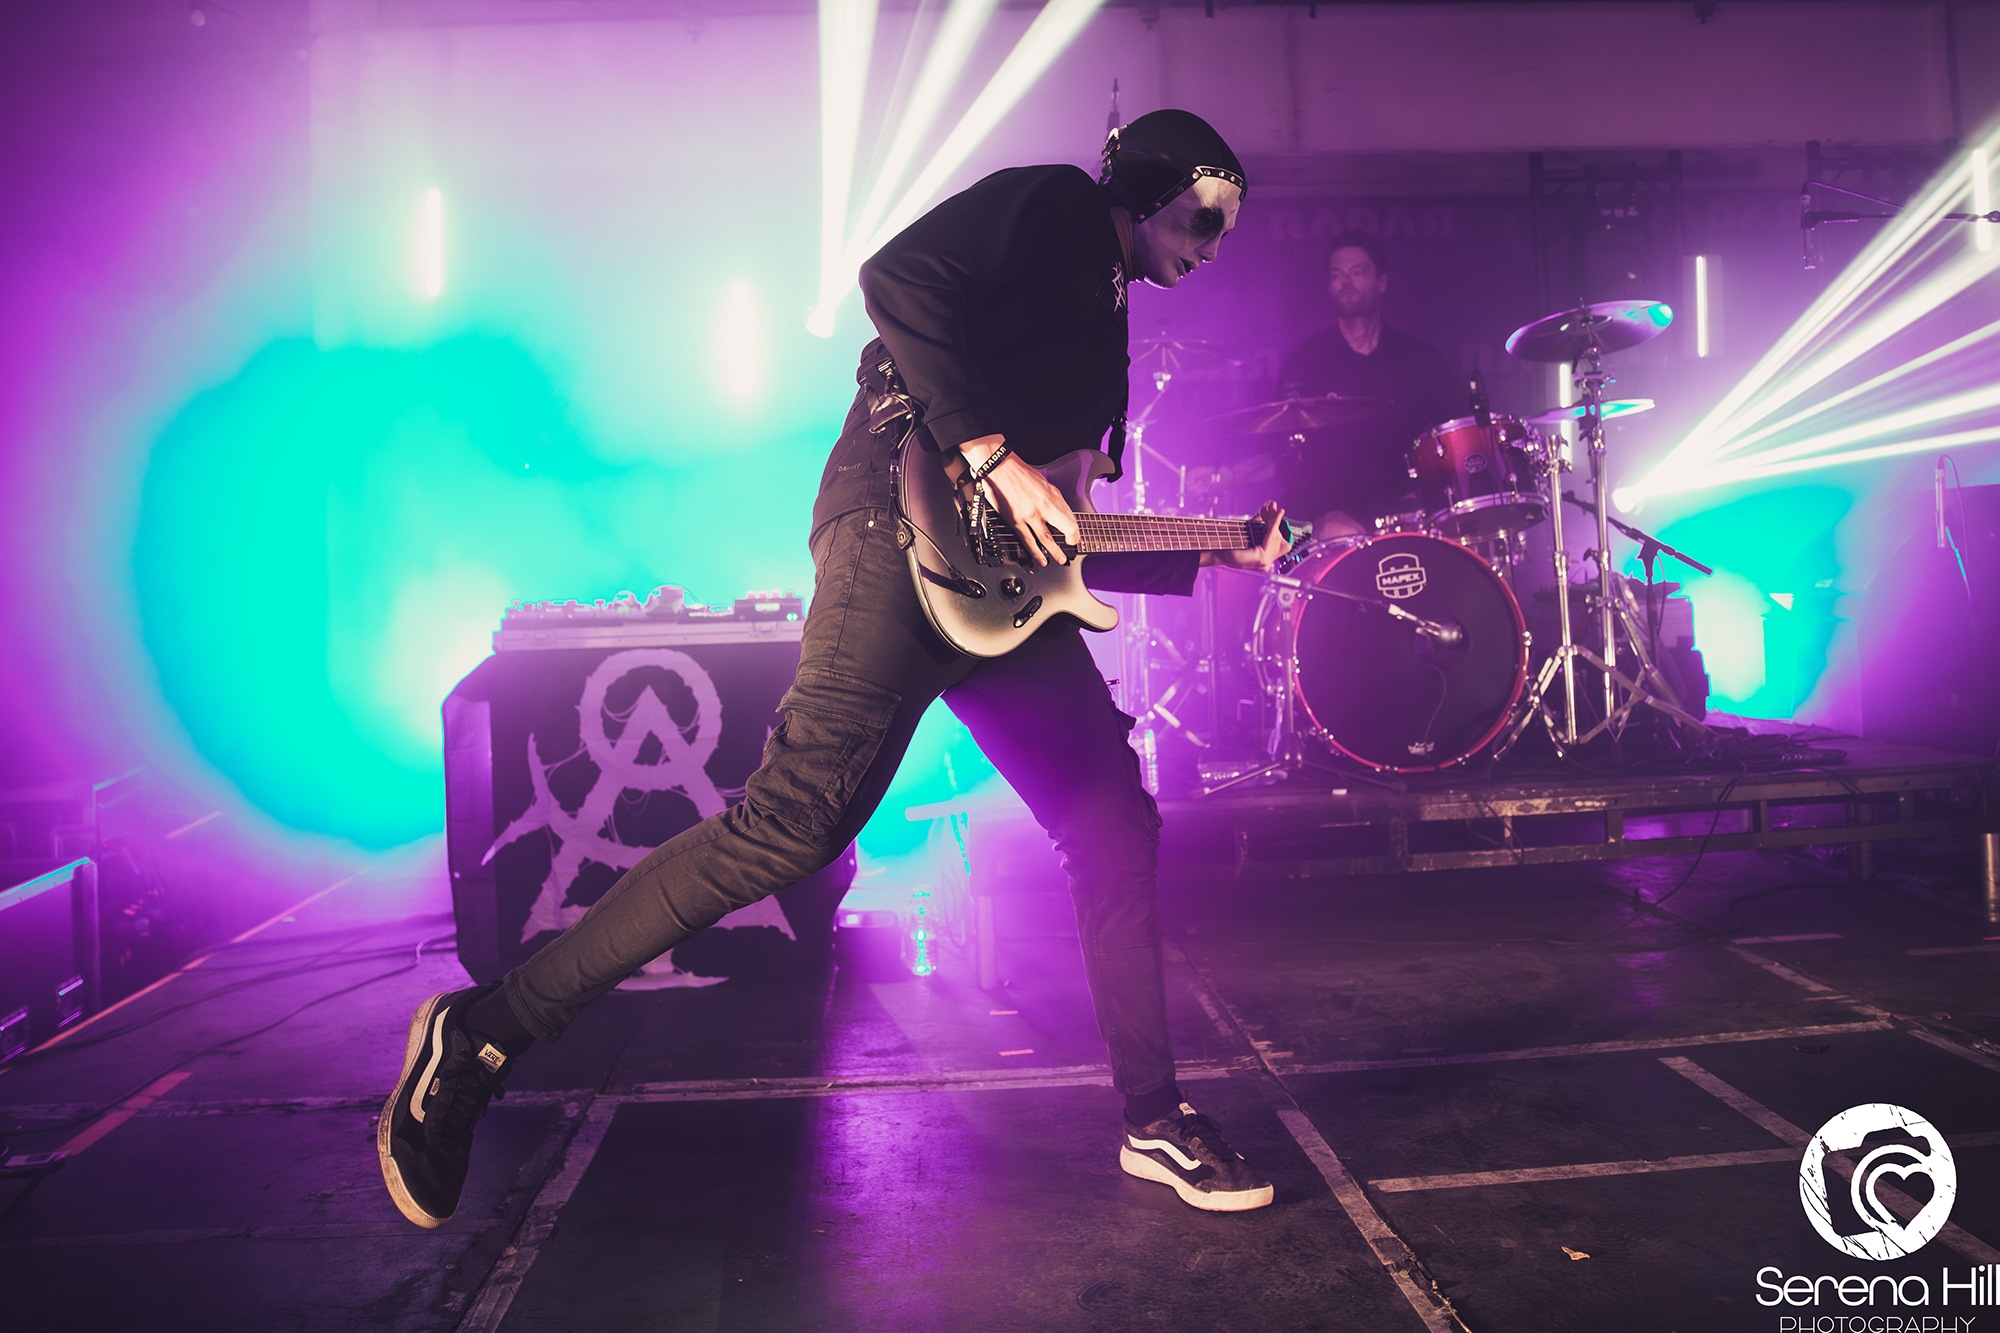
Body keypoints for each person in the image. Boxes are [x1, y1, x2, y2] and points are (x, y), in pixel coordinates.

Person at [379, 110, 1291, 1228]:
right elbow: (896, 274)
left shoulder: (1107, 337)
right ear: (1147, 190)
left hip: (998, 598)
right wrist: (989, 453)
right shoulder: (1059, 204)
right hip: (893, 538)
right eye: (1203, 218)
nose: (1212, 246)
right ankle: (477, 1035)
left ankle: (1153, 1117)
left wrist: (1214, 549)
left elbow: (1055, 533)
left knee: (1111, 822)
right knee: (793, 827)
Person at [1275, 230, 1463, 536]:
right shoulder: (1305, 362)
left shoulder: (1418, 358)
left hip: (1403, 499)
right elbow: (1278, 449)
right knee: (1340, 531)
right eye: (1337, 275)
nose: (1345, 282)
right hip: (1327, 503)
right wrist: (1225, 475)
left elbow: (1459, 431)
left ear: (1381, 282)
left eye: (1357, 272)